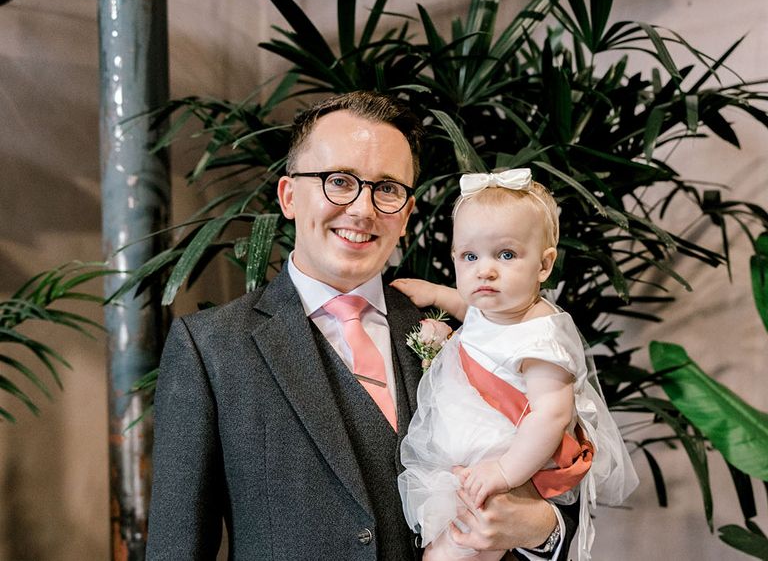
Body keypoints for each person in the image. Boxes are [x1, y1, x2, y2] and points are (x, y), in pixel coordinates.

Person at [146, 91, 579, 560]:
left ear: (407, 215)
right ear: (289, 196)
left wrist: (540, 529)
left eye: (387, 188)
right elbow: (177, 547)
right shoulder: (211, 347)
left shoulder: (473, 326)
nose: (362, 209)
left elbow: (556, 465)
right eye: (339, 181)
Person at [392, 169, 638, 561]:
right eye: (470, 256)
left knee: (460, 546)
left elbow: (551, 417)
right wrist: (435, 292)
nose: (485, 270)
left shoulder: (540, 338)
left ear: (543, 266)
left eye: (506, 255)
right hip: (465, 462)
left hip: (507, 466)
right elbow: (467, 308)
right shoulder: (493, 306)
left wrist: (504, 473)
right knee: (442, 540)